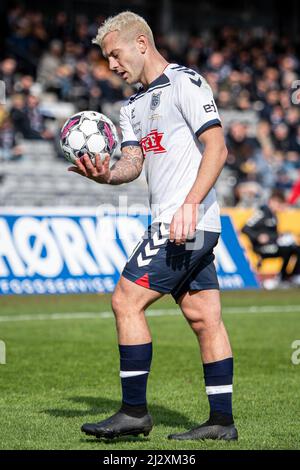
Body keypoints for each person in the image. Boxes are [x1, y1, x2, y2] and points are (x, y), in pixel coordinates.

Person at [68, 11, 237, 441]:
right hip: (181, 220)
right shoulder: (131, 108)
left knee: (125, 301)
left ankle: (134, 413)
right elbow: (132, 164)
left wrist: (190, 204)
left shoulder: (186, 82)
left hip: (185, 221)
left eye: (116, 54)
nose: (112, 66)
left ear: (141, 43)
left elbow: (216, 148)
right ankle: (221, 423)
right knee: (204, 317)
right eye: (107, 59)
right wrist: (104, 174)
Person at [242, 189, 300, 285]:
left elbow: (271, 234)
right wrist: (258, 237)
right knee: (287, 249)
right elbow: (245, 228)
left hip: (273, 245)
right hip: (261, 248)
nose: (280, 207)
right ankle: (282, 277)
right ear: (272, 201)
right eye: (279, 204)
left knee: (296, 249)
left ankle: (293, 276)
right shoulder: (262, 213)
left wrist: (282, 236)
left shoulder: (273, 216)